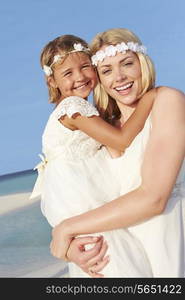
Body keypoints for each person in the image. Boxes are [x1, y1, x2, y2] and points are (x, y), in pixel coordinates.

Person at [50, 28, 185, 278]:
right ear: (99, 78)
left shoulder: (167, 100)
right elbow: (82, 195)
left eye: (127, 64)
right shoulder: (105, 129)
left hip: (165, 237)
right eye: (107, 70)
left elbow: (154, 198)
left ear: (142, 63)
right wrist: (70, 249)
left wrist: (66, 229)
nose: (119, 77)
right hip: (119, 251)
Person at [30, 34, 155, 277]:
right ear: (51, 81)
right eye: (68, 73)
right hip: (89, 209)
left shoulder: (79, 110)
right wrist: (150, 98)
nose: (80, 77)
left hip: (83, 214)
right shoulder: (73, 109)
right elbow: (122, 140)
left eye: (85, 67)